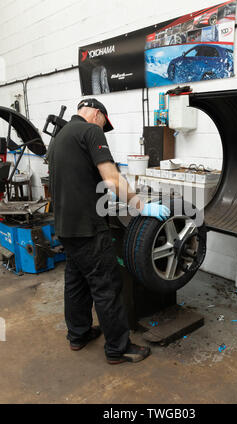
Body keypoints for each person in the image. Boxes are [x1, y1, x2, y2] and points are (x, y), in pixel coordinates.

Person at [47, 98, 170, 364]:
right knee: (106, 286)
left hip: (64, 227)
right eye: (104, 123)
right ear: (97, 114)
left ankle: (78, 335)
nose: (103, 129)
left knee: (76, 282)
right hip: (88, 229)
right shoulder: (90, 131)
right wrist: (140, 206)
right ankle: (118, 348)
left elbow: (76, 180)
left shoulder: (59, 137)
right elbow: (112, 178)